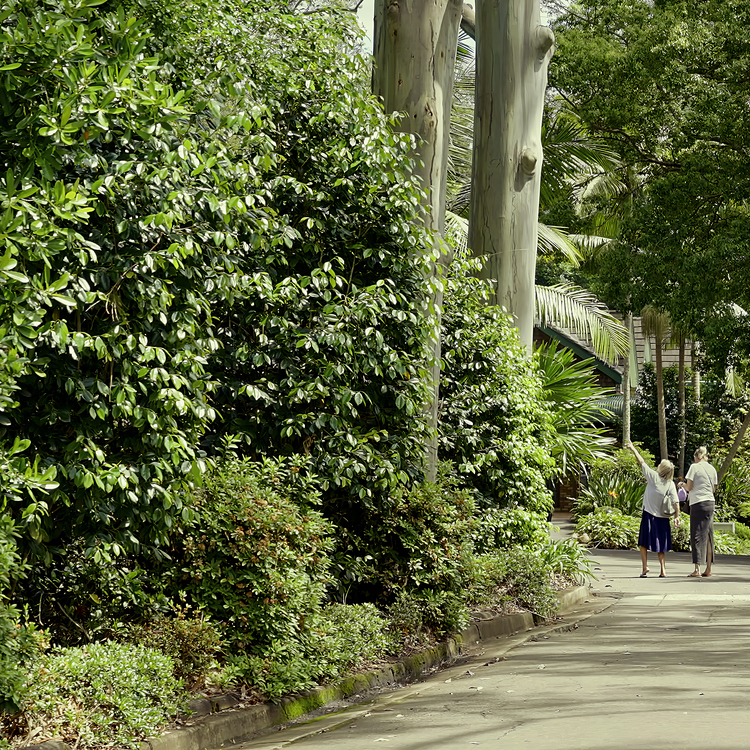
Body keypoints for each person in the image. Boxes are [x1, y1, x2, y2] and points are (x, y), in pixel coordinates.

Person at [625, 442, 681, 577]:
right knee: (661, 544)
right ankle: (663, 570)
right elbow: (676, 503)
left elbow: (641, 461)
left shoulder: (653, 477)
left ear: (661, 469)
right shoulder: (670, 484)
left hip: (649, 515)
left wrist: (633, 449)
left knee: (643, 542)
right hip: (663, 518)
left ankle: (645, 567)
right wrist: (676, 516)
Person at [678, 446, 718, 578]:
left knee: (697, 534)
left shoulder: (694, 467)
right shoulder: (711, 468)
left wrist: (682, 485)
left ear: (696, 457)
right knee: (708, 534)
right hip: (710, 502)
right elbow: (713, 488)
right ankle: (708, 569)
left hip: (698, 502)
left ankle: (697, 569)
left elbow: (689, 487)